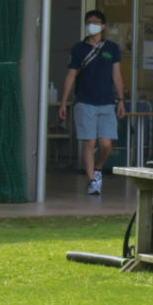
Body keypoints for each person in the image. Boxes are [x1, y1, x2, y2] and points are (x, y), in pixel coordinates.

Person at [57, 10, 126, 197]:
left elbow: (117, 74)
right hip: (84, 101)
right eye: (88, 22)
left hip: (107, 102)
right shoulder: (78, 49)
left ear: (103, 26)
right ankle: (92, 181)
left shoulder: (112, 48)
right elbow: (71, 75)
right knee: (89, 141)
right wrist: (63, 102)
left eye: (95, 21)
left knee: (106, 144)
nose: (91, 25)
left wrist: (121, 100)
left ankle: (98, 167)